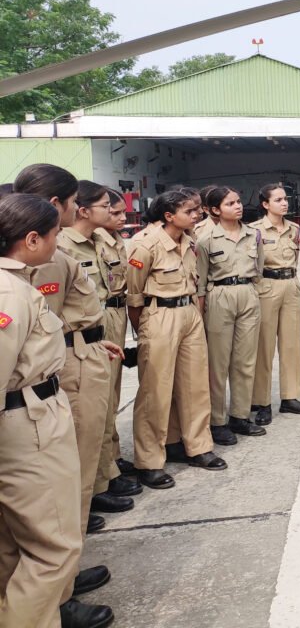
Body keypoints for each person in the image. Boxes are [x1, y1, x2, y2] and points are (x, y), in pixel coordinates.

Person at [10, 166, 119, 627]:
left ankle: (60, 582)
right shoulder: (29, 263)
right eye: (74, 203)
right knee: (57, 498)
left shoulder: (54, 254)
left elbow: (81, 307)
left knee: (66, 488)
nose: (78, 211)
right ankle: (56, 593)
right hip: (40, 390)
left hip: (65, 363)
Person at [126, 190, 227, 490]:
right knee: (156, 390)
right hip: (159, 316)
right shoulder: (145, 245)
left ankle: (195, 446)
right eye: (190, 211)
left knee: (195, 385)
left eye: (197, 210)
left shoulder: (190, 240)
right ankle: (149, 460)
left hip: (188, 312)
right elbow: (134, 297)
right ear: (169, 215)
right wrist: (144, 330)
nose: (197, 215)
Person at [56, 182, 138, 516]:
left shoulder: (102, 238)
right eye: (108, 206)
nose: (115, 212)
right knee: (90, 411)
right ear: (84, 210)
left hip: (112, 320)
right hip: (86, 327)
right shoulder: (62, 245)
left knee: (109, 400)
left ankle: (108, 468)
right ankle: (95, 483)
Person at [195, 186, 265, 444]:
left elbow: (259, 268)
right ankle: (217, 420)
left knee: (245, 361)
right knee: (218, 363)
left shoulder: (253, 235)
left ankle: (240, 416)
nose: (237, 207)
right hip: (219, 296)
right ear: (215, 210)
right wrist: (200, 313)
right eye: (229, 204)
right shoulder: (205, 240)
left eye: (238, 202)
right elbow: (200, 281)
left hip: (247, 292)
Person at [91, 189, 142, 491]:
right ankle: (103, 470)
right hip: (100, 319)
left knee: (113, 392)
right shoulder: (91, 243)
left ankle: (112, 455)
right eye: (115, 212)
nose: (123, 217)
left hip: (116, 316)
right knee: (102, 398)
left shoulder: (117, 241)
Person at [250, 184, 300, 425]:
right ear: (265, 204)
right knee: (264, 347)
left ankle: (290, 397)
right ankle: (262, 401)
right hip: (266, 286)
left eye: (285, 199)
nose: (284, 203)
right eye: (278, 200)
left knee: (291, 345)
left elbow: (295, 259)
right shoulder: (254, 230)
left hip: (291, 286)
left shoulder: (293, 228)